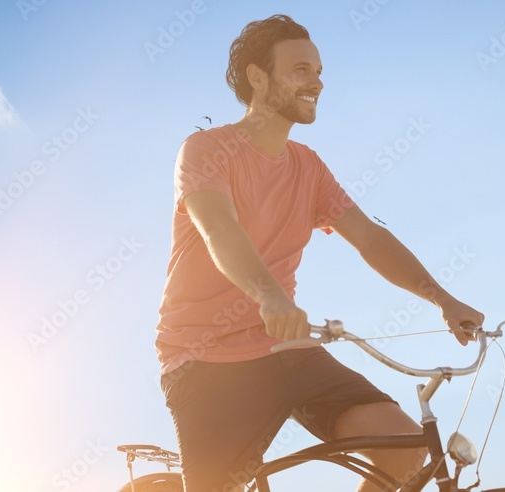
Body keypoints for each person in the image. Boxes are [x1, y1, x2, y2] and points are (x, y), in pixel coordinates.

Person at [155, 14, 486, 492]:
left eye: (319, 71)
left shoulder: (308, 167)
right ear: (257, 77)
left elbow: (369, 238)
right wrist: (270, 297)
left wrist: (442, 299)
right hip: (206, 358)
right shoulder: (206, 150)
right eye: (302, 70)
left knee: (407, 448)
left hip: (288, 349)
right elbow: (219, 229)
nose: (318, 82)